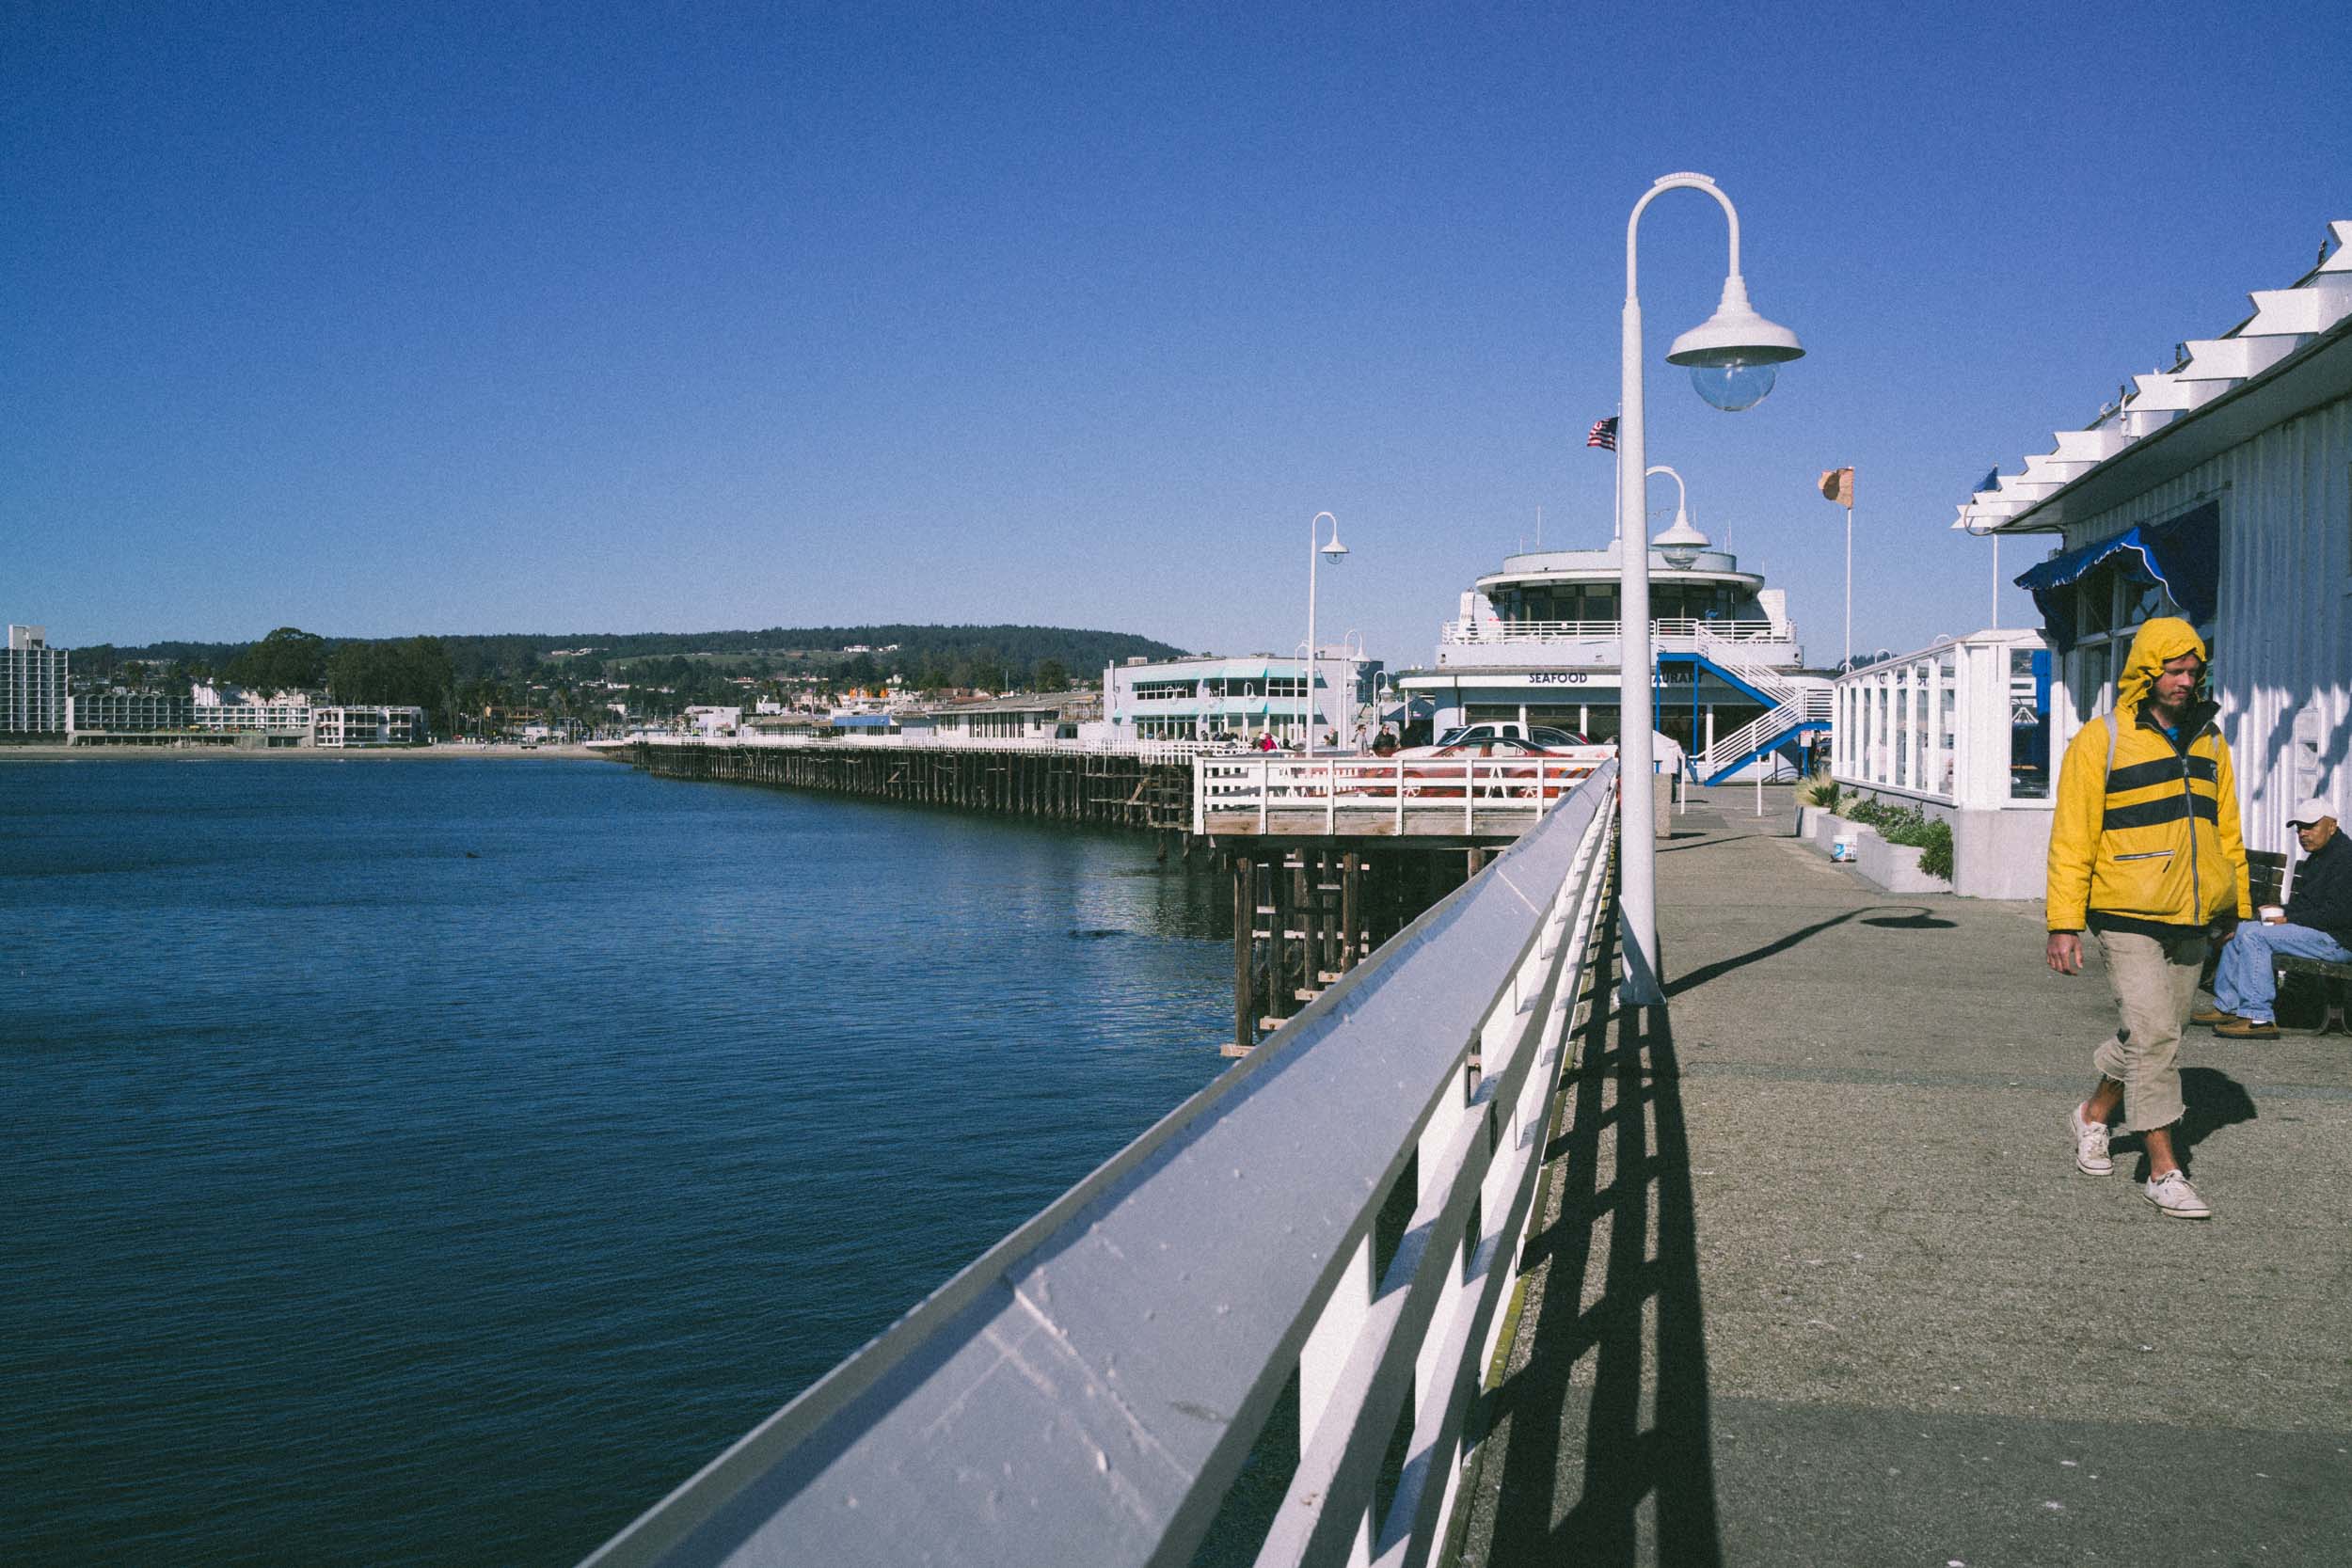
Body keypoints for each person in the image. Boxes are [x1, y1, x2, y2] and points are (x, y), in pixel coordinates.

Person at [2047, 617, 2249, 1220]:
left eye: (2194, 672)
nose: (2186, 682)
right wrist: (2063, 922)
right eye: (2175, 671)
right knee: (2157, 1035)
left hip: (2192, 913)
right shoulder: (2102, 739)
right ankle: (2163, 1170)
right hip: (2125, 910)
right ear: (2146, 671)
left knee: (2155, 1034)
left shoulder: (2210, 740)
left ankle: (2093, 1115)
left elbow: (2227, 829)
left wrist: (2233, 902)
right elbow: (2072, 837)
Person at [2199, 797, 2352, 1038]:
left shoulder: (2346, 858)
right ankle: (2228, 1007)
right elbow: (2309, 905)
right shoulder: (2320, 856)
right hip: (2320, 933)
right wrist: (2282, 910)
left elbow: (2339, 914)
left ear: (2332, 826)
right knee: (2242, 930)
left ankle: (2258, 1017)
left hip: (2338, 941)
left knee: (2256, 937)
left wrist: (2288, 919)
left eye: (2310, 826)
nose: (2303, 833)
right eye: (2299, 828)